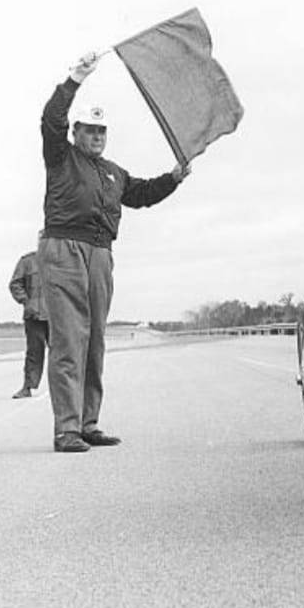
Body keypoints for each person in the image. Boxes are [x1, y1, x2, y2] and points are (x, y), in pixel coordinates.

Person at [38, 52, 191, 453]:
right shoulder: (60, 156)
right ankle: (66, 430)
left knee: (94, 342)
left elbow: (140, 194)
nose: (97, 137)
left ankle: (88, 423)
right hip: (64, 249)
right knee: (70, 341)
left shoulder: (114, 172)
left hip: (101, 255)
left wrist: (173, 178)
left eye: (102, 131)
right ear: (75, 133)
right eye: (89, 130)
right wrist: (74, 79)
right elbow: (50, 119)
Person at [8, 245, 49, 399]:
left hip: (58, 316)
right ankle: (27, 387)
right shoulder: (27, 261)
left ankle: (65, 389)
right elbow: (15, 284)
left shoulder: (62, 261)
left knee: (63, 354)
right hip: (34, 316)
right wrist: (26, 301)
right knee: (34, 353)